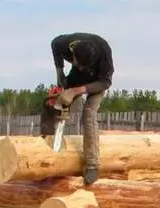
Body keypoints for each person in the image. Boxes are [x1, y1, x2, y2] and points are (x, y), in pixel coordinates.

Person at [42, 32, 114, 186]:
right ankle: (45, 145)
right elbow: (54, 43)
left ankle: (92, 165)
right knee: (54, 102)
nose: (80, 66)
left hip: (97, 83)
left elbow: (105, 83)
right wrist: (59, 71)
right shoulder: (65, 44)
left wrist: (75, 91)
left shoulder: (104, 55)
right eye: (77, 63)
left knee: (88, 114)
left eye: (83, 65)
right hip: (78, 78)